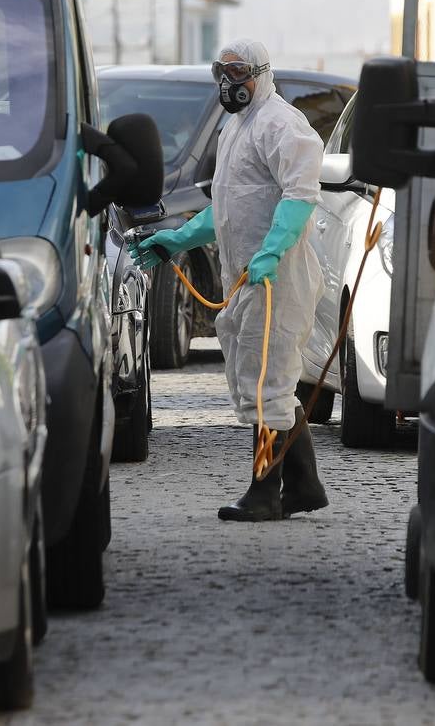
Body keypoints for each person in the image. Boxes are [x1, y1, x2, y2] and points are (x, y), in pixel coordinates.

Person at [132, 38, 328, 523]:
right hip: (246, 277)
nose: (229, 83)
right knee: (261, 382)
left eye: (238, 73)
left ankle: (265, 491)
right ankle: (305, 485)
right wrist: (177, 240)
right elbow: (227, 207)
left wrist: (272, 252)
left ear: (261, 74)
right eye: (222, 72)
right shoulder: (236, 128)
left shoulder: (283, 125)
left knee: (270, 386)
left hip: (276, 280)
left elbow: (299, 197)